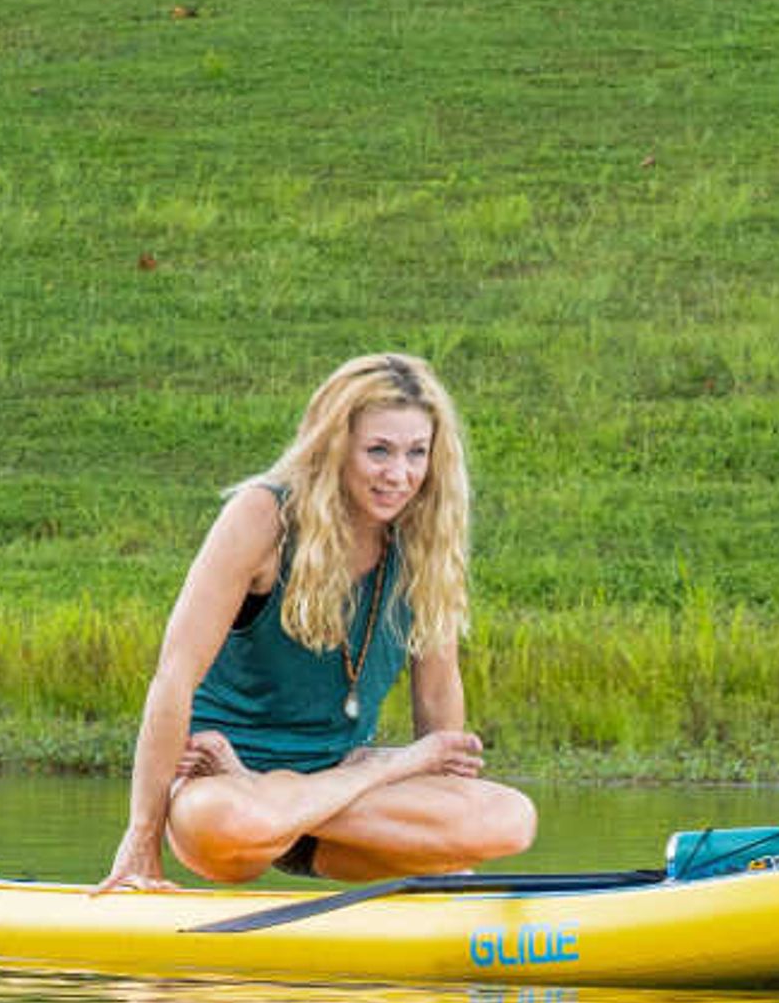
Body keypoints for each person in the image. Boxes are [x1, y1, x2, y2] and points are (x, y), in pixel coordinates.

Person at [94, 353, 538, 892]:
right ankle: (305, 785)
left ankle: (312, 791)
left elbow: (438, 700)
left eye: (416, 452)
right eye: (379, 450)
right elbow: (174, 675)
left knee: (509, 819)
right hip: (226, 795)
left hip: (343, 818)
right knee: (223, 820)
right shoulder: (263, 517)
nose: (399, 474)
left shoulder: (425, 540)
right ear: (335, 446)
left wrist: (445, 849)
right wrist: (142, 838)